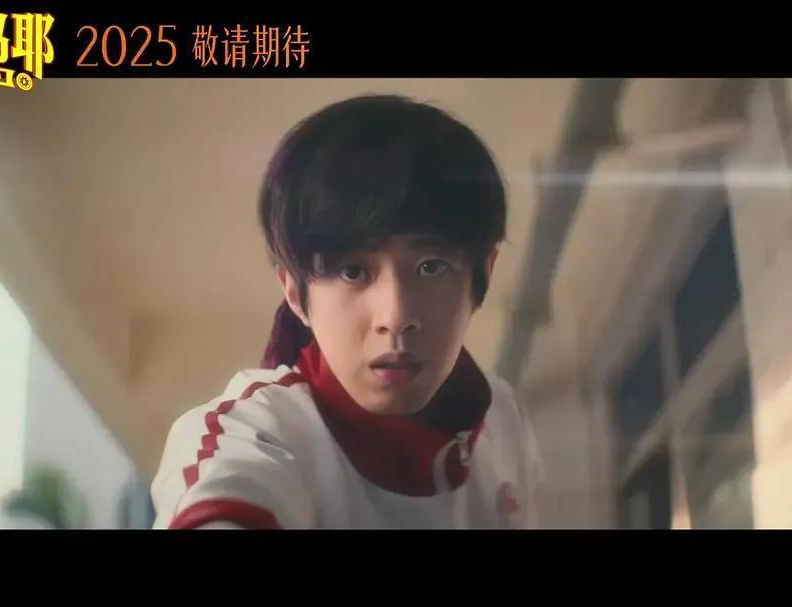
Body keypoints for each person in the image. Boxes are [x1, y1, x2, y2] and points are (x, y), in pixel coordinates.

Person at [151, 94, 543, 529]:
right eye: (351, 271)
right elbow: (228, 497)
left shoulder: (505, 421)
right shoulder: (257, 436)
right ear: (295, 293)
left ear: (483, 274)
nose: (395, 317)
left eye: (431, 267)